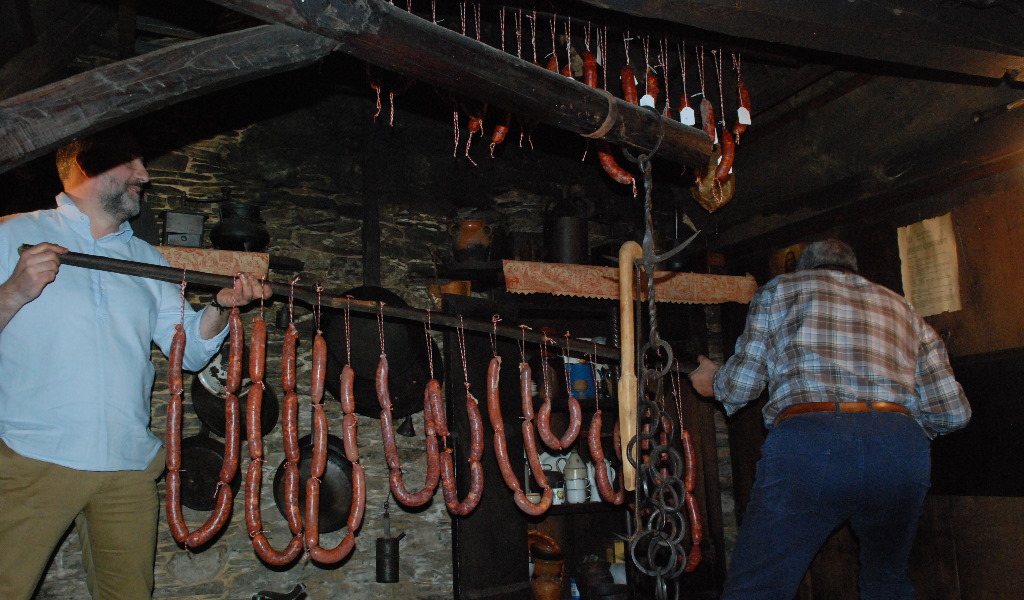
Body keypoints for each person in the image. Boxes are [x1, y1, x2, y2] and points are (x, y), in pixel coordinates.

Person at [0, 130, 270, 600]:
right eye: (132, 164)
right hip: (33, 455)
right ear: (88, 166)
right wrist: (14, 292)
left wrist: (223, 306)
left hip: (128, 465)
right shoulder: (11, 234)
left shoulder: (145, 258)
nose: (144, 176)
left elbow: (188, 350)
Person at [688, 239, 970, 600]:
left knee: (758, 587)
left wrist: (712, 380)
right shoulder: (904, 308)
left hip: (811, 441)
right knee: (887, 583)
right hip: (899, 448)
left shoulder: (781, 289)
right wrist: (896, 430)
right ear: (853, 269)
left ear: (804, 268)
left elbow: (741, 384)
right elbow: (953, 413)